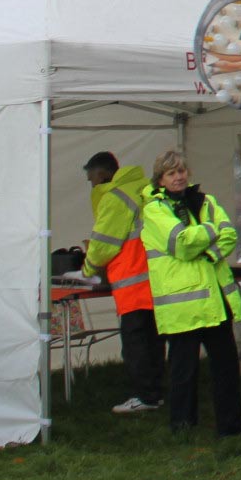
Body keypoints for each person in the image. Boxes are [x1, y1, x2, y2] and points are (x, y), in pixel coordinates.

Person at [141, 149, 241, 438]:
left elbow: (229, 234)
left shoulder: (205, 201)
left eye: (181, 171)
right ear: (160, 179)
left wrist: (208, 252)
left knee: (226, 367)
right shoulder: (154, 210)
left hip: (214, 301)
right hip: (183, 305)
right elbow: (182, 244)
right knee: (183, 371)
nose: (178, 177)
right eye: (171, 173)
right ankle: (183, 428)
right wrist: (210, 229)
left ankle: (231, 426)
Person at [82, 151, 163, 415]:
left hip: (132, 282)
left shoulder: (115, 198)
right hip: (158, 278)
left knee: (135, 345)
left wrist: (87, 269)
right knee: (154, 341)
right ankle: (157, 393)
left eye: (92, 179)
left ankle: (145, 397)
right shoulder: (145, 188)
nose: (92, 184)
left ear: (102, 174)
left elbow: (103, 245)